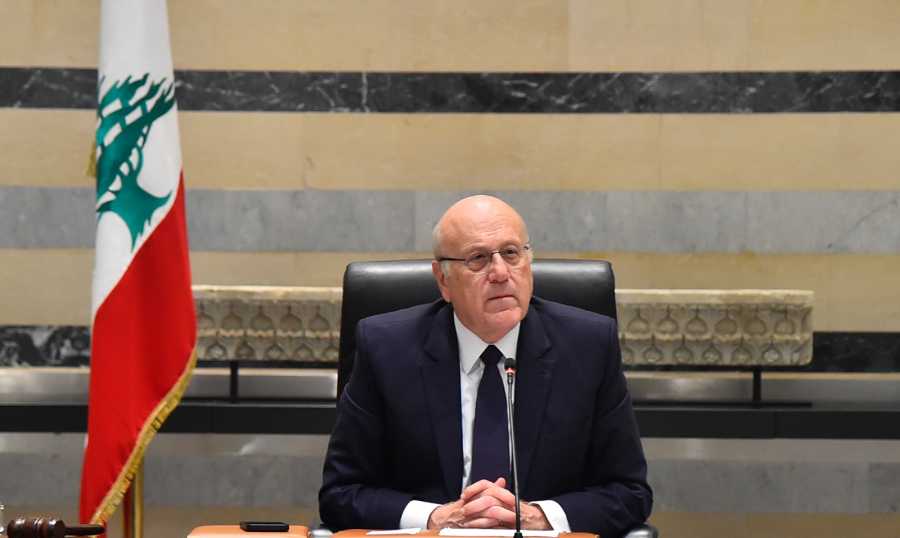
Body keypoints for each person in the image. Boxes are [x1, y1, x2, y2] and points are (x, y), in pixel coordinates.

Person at [319, 195, 652, 537]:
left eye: (511, 253)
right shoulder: (386, 348)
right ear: (443, 280)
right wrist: (435, 517)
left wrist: (537, 516)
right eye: (477, 258)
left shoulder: (588, 345)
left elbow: (629, 492)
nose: (500, 273)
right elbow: (341, 493)